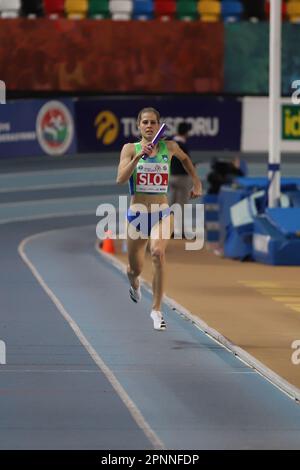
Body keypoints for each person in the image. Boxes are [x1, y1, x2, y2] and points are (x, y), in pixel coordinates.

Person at [116, 107, 202, 331]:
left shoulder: (169, 147)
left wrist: (197, 182)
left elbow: (186, 160)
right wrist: (138, 157)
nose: (149, 125)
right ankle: (134, 282)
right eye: (145, 122)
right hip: (137, 214)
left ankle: (156, 310)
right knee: (134, 268)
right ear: (138, 126)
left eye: (153, 122)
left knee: (157, 252)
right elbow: (120, 179)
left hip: (162, 212)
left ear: (158, 125)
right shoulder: (129, 149)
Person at [169, 122, 194, 235]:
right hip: (183, 178)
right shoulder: (182, 146)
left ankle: (169, 230)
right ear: (186, 133)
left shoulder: (171, 143)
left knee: (171, 205)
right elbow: (185, 163)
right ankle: (182, 231)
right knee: (182, 206)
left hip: (172, 177)